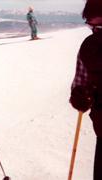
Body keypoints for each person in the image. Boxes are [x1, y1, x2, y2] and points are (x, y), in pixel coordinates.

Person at [70, 0, 102, 179]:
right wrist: (80, 96)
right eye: (92, 26)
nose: (95, 30)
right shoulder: (89, 46)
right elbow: (80, 83)